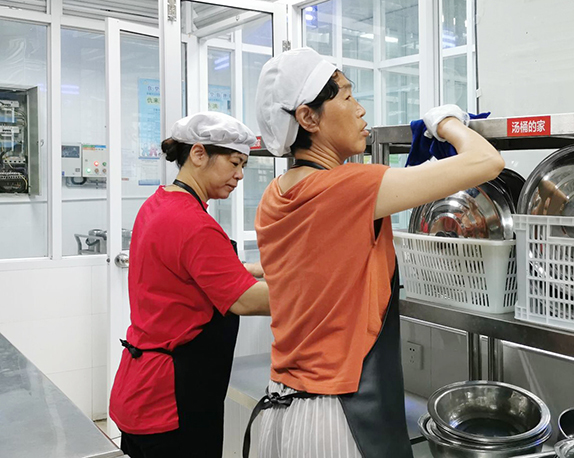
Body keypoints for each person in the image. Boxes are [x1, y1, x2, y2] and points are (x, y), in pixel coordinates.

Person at [247, 47, 503, 458]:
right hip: (337, 418)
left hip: (283, 408)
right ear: (308, 118)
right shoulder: (348, 187)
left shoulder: (276, 194)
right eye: (348, 97)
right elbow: (487, 161)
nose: (361, 109)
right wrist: (448, 122)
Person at [109, 112, 270, 458]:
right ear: (198, 153)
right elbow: (245, 300)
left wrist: (255, 268)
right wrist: (325, 289)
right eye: (234, 163)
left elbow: (186, 272)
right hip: (172, 401)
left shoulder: (159, 204)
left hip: (140, 389)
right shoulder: (194, 223)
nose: (240, 175)